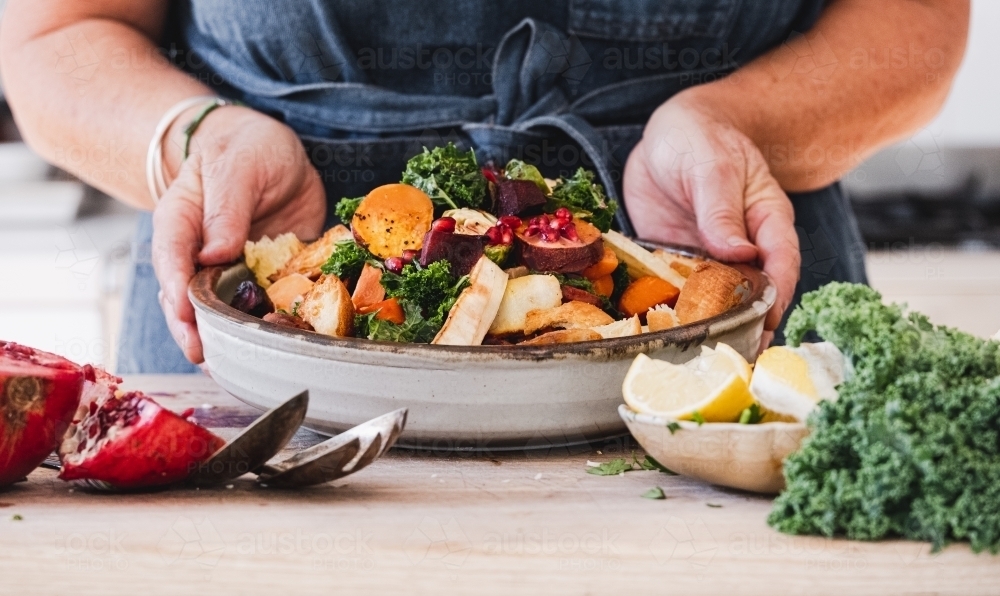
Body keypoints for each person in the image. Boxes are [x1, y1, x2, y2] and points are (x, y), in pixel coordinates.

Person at [0, 0, 968, 373]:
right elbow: (53, 38)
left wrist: (738, 123)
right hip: (255, 326)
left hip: (715, 294)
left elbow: (914, 28)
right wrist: (198, 135)